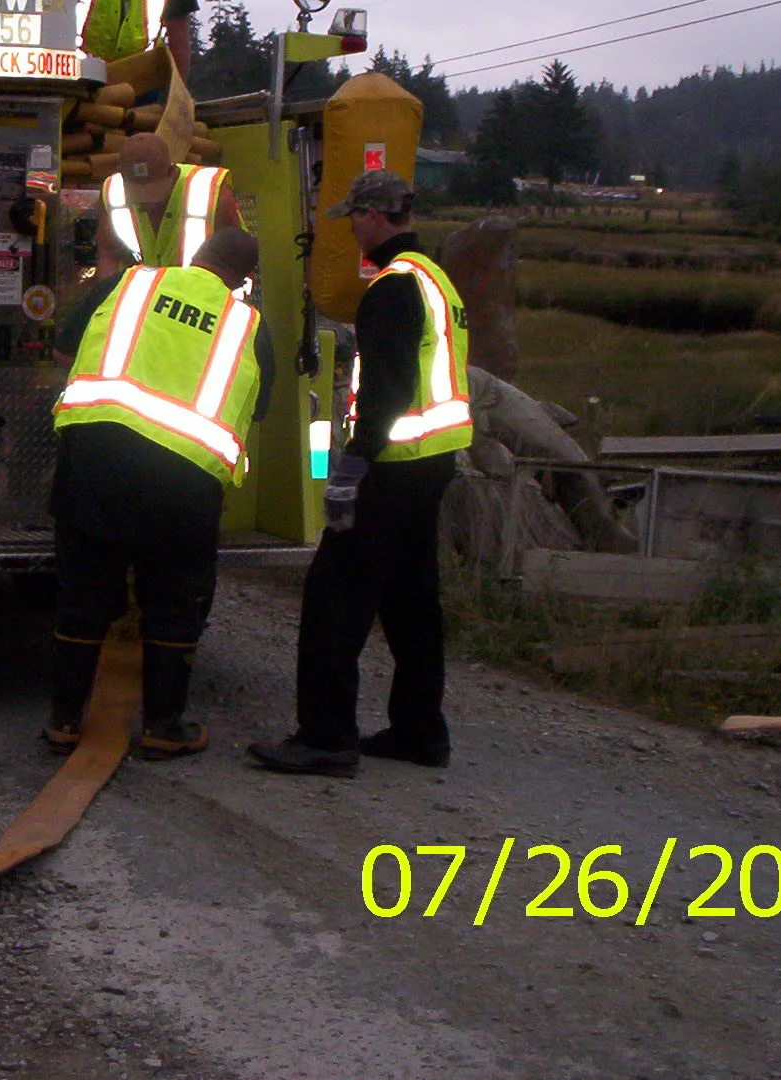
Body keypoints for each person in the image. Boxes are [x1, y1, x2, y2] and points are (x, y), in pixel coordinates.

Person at [250, 170, 472, 777]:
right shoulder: (436, 281)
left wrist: (352, 465)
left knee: (333, 596)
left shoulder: (392, 288)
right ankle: (421, 731)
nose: (350, 228)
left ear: (375, 217)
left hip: (393, 467)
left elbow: (388, 388)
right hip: (432, 462)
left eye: (354, 216)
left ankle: (325, 737)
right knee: (410, 601)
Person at [46, 227, 272, 760]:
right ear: (244, 280)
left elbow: (62, 351)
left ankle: (62, 722)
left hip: (96, 460)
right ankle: (163, 726)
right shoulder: (247, 324)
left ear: (193, 256)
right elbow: (258, 409)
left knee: (84, 595)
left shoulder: (129, 283)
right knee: (174, 600)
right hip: (183, 482)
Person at [97, 132, 242, 269]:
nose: (149, 204)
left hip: (198, 292)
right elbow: (108, 252)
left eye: (154, 192)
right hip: (151, 291)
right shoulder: (113, 192)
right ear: (121, 176)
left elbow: (238, 255)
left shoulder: (210, 191)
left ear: (172, 173)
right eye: (138, 195)